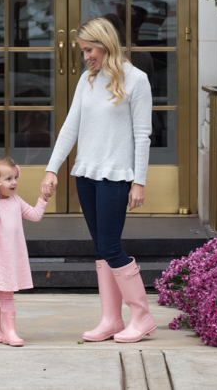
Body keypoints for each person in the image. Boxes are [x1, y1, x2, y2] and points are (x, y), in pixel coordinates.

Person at [40, 17, 155, 343]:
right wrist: (52, 168)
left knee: (110, 247)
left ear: (105, 45)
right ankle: (110, 319)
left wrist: (139, 181)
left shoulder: (137, 80)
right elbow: (69, 127)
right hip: (85, 175)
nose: (85, 56)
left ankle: (142, 316)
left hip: (116, 177)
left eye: (89, 49)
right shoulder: (87, 80)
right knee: (101, 250)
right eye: (83, 50)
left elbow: (142, 135)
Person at [0, 157, 48, 346]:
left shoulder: (16, 201)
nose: (14, 182)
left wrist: (43, 199)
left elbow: (35, 215)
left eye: (15, 178)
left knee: (7, 294)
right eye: (8, 179)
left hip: (10, 257)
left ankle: (10, 332)